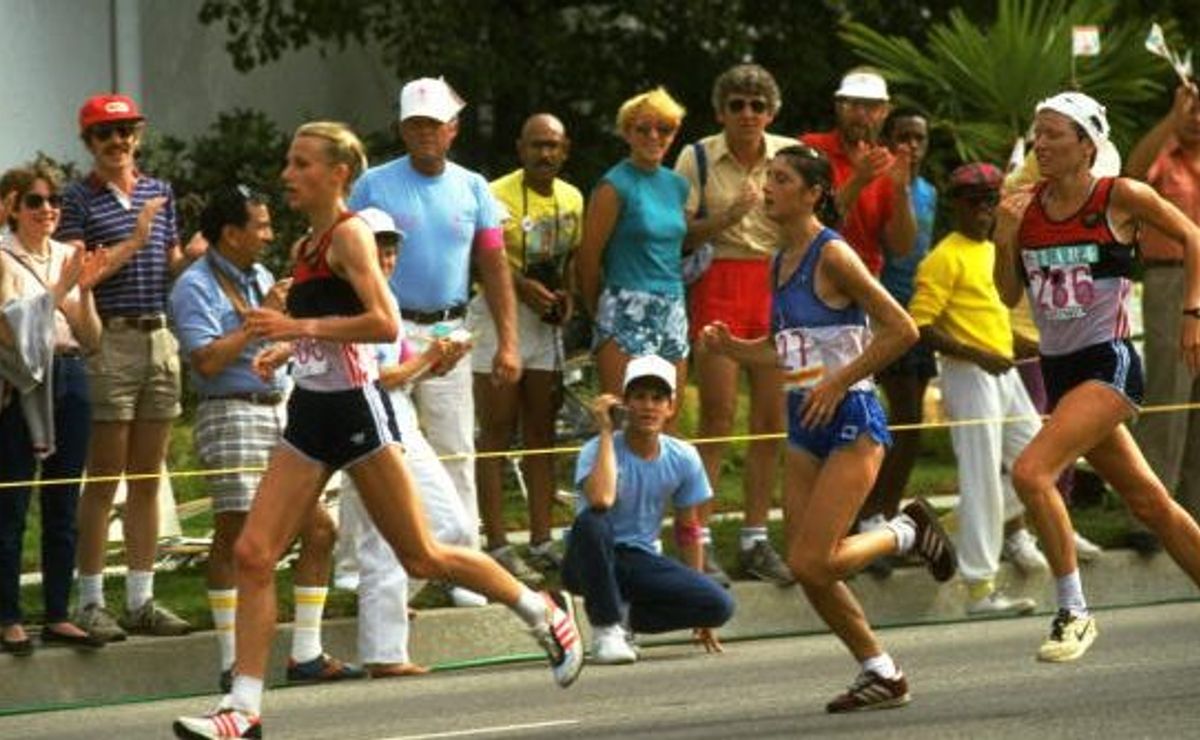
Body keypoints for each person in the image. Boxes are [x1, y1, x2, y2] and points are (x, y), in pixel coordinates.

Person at [172, 121, 582, 740]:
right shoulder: (305, 247)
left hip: (360, 412)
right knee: (254, 553)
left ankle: (541, 610)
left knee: (422, 552)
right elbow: (321, 322)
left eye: (301, 163)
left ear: (338, 174)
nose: (288, 174)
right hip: (312, 412)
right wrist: (285, 351)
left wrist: (297, 332)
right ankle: (243, 711)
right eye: (289, 162)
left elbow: (384, 323)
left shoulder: (351, 235)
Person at [700, 144, 956, 712]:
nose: (768, 188)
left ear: (814, 193)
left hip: (851, 417)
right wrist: (733, 348)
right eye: (768, 177)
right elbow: (783, 351)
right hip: (804, 421)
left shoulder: (832, 254)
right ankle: (881, 671)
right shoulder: (777, 260)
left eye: (782, 179)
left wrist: (839, 383)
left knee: (814, 561)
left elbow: (901, 329)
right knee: (808, 566)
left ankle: (907, 532)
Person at [994, 91, 1200, 663]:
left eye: (1055, 133)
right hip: (1060, 372)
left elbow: (1192, 235)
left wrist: (1192, 313)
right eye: (1038, 133)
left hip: (1108, 363)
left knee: (1032, 472)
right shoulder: (1021, 207)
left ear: (1087, 143)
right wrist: (1005, 238)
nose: (1042, 143)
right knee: (1150, 503)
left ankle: (1074, 611)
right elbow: (1008, 292)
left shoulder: (1118, 196)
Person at [169, 185, 362, 691]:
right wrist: (259, 325)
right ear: (231, 234)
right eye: (260, 226)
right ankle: (231, 662)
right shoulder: (194, 286)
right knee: (235, 532)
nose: (269, 235)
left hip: (282, 406)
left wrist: (286, 324)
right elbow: (206, 362)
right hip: (231, 412)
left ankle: (306, 652)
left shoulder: (258, 275)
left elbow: (285, 335)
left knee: (320, 529)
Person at [349, 77, 519, 554]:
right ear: (403, 130)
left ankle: (462, 554)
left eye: (435, 124)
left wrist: (507, 341)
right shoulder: (372, 185)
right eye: (416, 124)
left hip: (450, 329)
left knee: (455, 444)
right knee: (375, 444)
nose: (426, 132)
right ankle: (363, 559)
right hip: (387, 326)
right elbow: (345, 257)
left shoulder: (474, 187)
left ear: (453, 128)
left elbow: (494, 264)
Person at [56, 93, 200, 641]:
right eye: (105, 135)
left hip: (157, 334)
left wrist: (194, 255)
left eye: (127, 133)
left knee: (146, 476)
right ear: (89, 142)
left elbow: (169, 263)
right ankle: (90, 600)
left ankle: (141, 599)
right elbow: (80, 277)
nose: (118, 143)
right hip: (109, 337)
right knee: (104, 477)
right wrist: (135, 237)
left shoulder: (159, 190)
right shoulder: (75, 199)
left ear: (138, 136)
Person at [338, 206, 479, 678]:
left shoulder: (388, 301)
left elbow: (402, 372)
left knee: (453, 525)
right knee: (386, 535)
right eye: (378, 245)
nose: (388, 255)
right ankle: (383, 651)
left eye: (392, 245)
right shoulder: (352, 303)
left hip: (400, 419)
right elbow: (376, 378)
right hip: (369, 420)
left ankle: (386, 609)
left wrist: (440, 360)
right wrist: (428, 359)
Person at [908, 162, 1049, 617]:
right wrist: (978, 354)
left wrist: (1032, 345)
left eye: (991, 200)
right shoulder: (942, 258)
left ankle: (956, 523)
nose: (985, 210)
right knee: (983, 476)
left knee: (1045, 460)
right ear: (957, 205)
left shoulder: (993, 252)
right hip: (968, 375)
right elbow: (919, 327)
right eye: (975, 202)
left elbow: (994, 317)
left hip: (1003, 372)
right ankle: (979, 590)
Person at [673, 63, 795, 587]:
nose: (748, 114)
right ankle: (696, 539)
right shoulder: (696, 156)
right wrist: (729, 216)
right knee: (718, 415)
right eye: (737, 105)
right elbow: (679, 233)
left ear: (772, 112)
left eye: (758, 105)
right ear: (720, 111)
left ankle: (754, 537)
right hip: (718, 281)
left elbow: (813, 215)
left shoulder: (788, 156)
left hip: (775, 282)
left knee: (773, 417)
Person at [563, 354, 735, 664]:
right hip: (588, 559)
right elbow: (601, 499)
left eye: (658, 398)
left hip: (639, 560)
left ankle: (623, 617)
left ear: (670, 407)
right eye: (639, 397)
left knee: (718, 605)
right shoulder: (596, 449)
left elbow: (687, 528)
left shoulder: (684, 456)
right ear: (625, 404)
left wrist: (693, 586)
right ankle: (606, 630)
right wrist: (604, 430)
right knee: (593, 521)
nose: (649, 406)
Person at [473, 113, 583, 585]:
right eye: (536, 145)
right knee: (497, 428)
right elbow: (479, 258)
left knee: (543, 428)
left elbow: (572, 259)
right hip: (497, 316)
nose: (545, 154)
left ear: (565, 149)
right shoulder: (493, 194)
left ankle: (541, 538)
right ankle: (496, 543)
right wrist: (520, 287)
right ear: (520, 148)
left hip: (545, 321)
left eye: (553, 146)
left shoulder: (573, 197)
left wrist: (569, 299)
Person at [0, 164, 105, 655]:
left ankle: (59, 612)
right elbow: (11, 329)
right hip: (24, 383)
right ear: (13, 208)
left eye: (53, 201)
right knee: (13, 501)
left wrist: (81, 292)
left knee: (65, 499)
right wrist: (61, 291)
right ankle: (8, 616)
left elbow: (92, 337)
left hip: (70, 373)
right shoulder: (3, 256)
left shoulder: (69, 255)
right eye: (35, 201)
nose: (47, 210)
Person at [856, 109, 938, 574]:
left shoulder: (928, 191)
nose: (910, 146)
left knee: (910, 428)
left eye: (918, 138)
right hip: (881, 313)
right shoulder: (882, 185)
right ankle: (868, 517)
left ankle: (884, 514)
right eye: (902, 137)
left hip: (917, 312)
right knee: (888, 422)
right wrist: (898, 185)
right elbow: (895, 245)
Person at [577, 87, 690, 400]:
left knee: (666, 418)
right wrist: (598, 311)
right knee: (623, 415)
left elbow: (682, 240)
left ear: (675, 132)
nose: (653, 136)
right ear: (626, 133)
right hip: (624, 304)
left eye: (664, 129)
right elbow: (587, 257)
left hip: (672, 304)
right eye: (642, 129)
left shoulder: (677, 185)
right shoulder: (614, 185)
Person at [1125, 80, 1200, 534]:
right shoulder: (1162, 152)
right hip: (1171, 277)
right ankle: (1150, 513)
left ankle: (1192, 512)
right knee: (1169, 393)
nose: (1196, 115)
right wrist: (1172, 117)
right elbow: (1131, 177)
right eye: (1190, 107)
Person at [799, 68, 917, 275]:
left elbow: (901, 248)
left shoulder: (888, 165)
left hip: (863, 281)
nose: (861, 114)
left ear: (885, 112)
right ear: (838, 107)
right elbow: (806, 225)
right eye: (853, 104)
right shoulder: (810, 148)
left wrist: (901, 191)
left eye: (871, 107)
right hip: (810, 271)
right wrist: (859, 179)